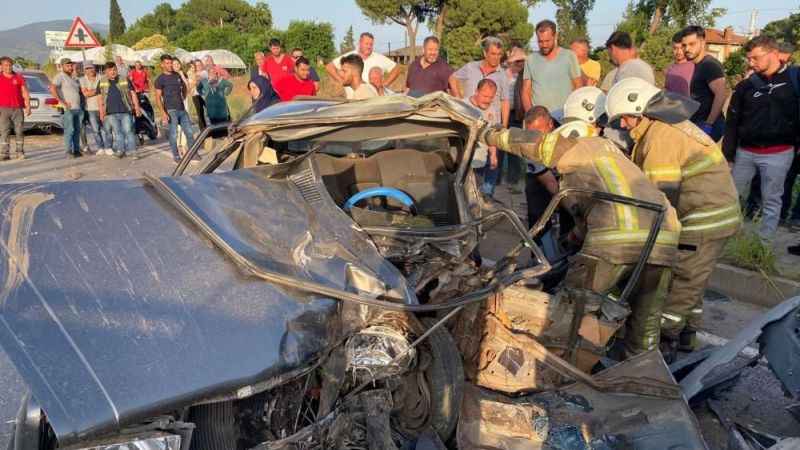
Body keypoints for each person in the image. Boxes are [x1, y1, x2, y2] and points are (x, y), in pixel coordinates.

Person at [483, 119, 682, 358]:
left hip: (616, 241)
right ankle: (643, 373)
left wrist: (490, 135)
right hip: (665, 239)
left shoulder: (579, 147)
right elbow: (587, 219)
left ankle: (556, 364)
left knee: (574, 306)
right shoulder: (616, 161)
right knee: (647, 321)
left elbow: (535, 142)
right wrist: (567, 242)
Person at [606, 77, 741, 357]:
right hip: (714, 215)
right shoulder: (668, 127)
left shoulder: (661, 138)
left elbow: (659, 202)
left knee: (680, 284)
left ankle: (662, 350)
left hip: (703, 220)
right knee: (693, 283)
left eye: (625, 119)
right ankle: (687, 341)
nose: (622, 126)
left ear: (639, 111)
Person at [723, 35, 800, 241]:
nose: (751, 63)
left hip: (780, 153)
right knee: (731, 197)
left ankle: (762, 245)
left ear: (774, 54)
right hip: (745, 153)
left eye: (755, 58)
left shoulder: (795, 80)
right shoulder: (745, 87)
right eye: (749, 58)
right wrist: (728, 156)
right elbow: (732, 122)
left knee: (772, 200)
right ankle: (728, 238)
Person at [451, 36, 510, 196]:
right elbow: (453, 78)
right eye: (493, 54)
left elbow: (505, 101)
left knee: (492, 161)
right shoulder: (471, 67)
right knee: (470, 159)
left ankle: (487, 195)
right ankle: (469, 192)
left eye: (499, 54)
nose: (496, 57)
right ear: (485, 53)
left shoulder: (503, 75)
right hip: (470, 122)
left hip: (492, 122)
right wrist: (458, 99)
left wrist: (503, 126)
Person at [520, 20, 583, 115]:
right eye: (540, 41)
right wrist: (531, 115)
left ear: (555, 36)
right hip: (540, 119)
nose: (544, 45)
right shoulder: (530, 59)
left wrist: (574, 111)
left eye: (547, 41)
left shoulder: (569, 56)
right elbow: (525, 91)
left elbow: (578, 87)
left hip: (565, 116)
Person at [681, 25, 728, 141]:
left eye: (692, 44)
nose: (687, 49)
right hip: (697, 123)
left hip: (708, 125)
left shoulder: (709, 65)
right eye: (684, 45)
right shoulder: (696, 65)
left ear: (702, 43)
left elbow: (721, 94)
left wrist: (709, 124)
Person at [326, 32, 400, 98]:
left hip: (370, 98)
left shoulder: (379, 58)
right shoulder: (350, 57)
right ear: (360, 43)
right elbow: (329, 67)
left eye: (371, 44)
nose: (369, 47)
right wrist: (341, 80)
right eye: (366, 44)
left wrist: (385, 84)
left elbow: (397, 68)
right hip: (352, 98)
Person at [154, 54, 195, 163]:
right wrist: (163, 113)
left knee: (189, 132)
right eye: (167, 63)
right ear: (162, 65)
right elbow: (157, 98)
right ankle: (176, 155)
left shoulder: (177, 75)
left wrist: (184, 97)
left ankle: (193, 153)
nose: (170, 65)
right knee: (174, 134)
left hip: (182, 109)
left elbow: (185, 89)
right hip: (170, 110)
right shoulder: (160, 79)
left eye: (171, 63)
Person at [97, 61, 141, 158]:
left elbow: (133, 93)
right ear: (106, 71)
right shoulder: (102, 81)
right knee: (117, 132)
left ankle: (133, 151)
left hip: (125, 111)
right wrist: (101, 112)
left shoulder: (124, 79)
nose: (113, 72)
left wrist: (137, 107)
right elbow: (100, 98)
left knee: (128, 131)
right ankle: (121, 150)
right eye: (110, 70)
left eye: (114, 70)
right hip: (110, 113)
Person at [468, 79, 500, 181]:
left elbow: (492, 134)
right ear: (476, 92)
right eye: (485, 96)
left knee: (475, 191)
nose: (487, 100)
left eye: (491, 97)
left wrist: (493, 155)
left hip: (479, 161)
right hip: (461, 160)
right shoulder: (462, 106)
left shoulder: (493, 110)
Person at [50, 58, 83, 158]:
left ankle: (76, 150)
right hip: (68, 109)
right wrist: (62, 102)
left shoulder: (73, 78)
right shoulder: (60, 76)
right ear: (62, 66)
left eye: (70, 65)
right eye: (67, 66)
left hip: (77, 108)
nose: (70, 67)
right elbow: (52, 88)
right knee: (70, 130)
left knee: (77, 130)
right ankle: (68, 151)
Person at [0, 56, 30, 160]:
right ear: (1, 66)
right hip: (3, 109)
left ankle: (20, 152)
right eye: (6, 65)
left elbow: (24, 91)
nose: (8, 67)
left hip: (17, 108)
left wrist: (28, 106)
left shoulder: (18, 77)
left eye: (10, 65)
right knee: (4, 131)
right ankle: (4, 154)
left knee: (19, 131)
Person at [79, 63, 110, 154]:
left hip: (104, 106)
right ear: (85, 70)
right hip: (90, 108)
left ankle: (108, 147)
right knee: (95, 130)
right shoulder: (82, 79)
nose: (90, 70)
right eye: (87, 68)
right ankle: (100, 147)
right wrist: (99, 90)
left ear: (94, 68)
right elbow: (85, 94)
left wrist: (91, 91)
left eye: (91, 68)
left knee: (106, 129)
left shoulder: (101, 77)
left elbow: (106, 90)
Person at [664, 31, 695, 97]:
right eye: (675, 48)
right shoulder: (670, 68)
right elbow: (666, 90)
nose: (678, 52)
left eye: (681, 48)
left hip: (687, 106)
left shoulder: (694, 67)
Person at [188, 60, 207, 131]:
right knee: (200, 113)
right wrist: (194, 80)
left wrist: (196, 79)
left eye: (200, 65)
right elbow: (190, 86)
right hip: (196, 95)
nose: (198, 67)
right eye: (196, 65)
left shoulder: (204, 72)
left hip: (205, 95)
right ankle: (203, 130)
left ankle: (216, 126)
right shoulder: (191, 73)